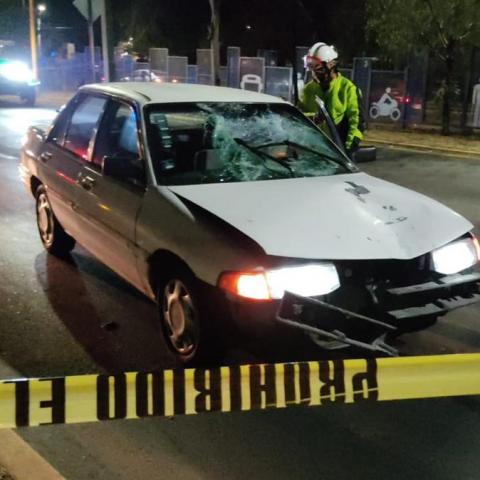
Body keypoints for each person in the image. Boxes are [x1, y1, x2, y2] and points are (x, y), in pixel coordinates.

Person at [299, 42, 364, 156]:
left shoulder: (348, 88)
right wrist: (313, 118)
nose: (314, 72)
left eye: (318, 67)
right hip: (312, 153)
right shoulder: (308, 89)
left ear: (331, 65)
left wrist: (347, 151)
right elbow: (299, 118)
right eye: (311, 67)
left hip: (337, 155)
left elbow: (356, 122)